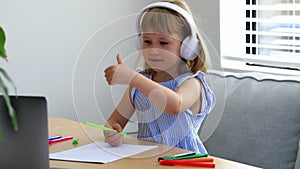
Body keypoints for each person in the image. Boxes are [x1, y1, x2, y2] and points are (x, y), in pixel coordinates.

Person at [103, 0, 215, 153]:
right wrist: (111, 131)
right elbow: (114, 121)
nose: (153, 50)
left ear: (187, 47)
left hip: (186, 163)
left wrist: (133, 78)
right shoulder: (138, 86)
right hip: (147, 161)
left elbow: (174, 105)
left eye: (163, 42)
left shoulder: (192, 83)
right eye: (147, 41)